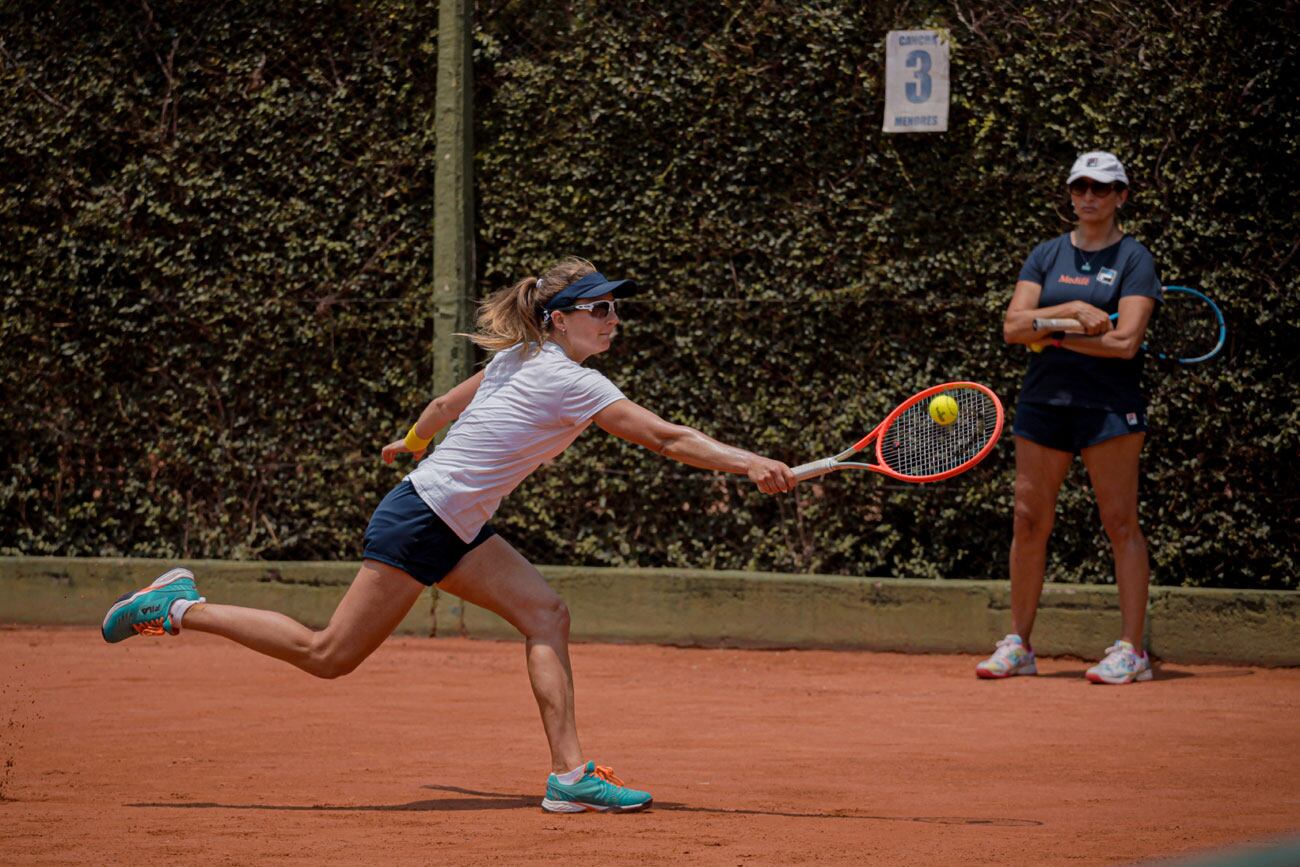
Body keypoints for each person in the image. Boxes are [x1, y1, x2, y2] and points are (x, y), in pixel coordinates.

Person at [102, 256, 798, 811]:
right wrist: (752, 462)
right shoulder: (568, 381)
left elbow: (441, 405)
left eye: (616, 307)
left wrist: (409, 443)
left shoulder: (519, 359)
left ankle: (569, 775)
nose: (615, 319)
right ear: (559, 320)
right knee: (327, 654)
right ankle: (179, 605)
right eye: (601, 309)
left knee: (545, 611)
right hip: (423, 520)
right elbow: (666, 436)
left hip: (450, 517)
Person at [980, 151, 1163, 685]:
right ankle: (1019, 645)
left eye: (1101, 189)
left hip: (1109, 407)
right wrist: (1072, 318)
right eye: (1080, 187)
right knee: (1027, 519)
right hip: (1043, 403)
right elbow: (1013, 328)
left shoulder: (1135, 259)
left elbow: (1125, 342)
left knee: (1119, 522)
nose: (1088, 197)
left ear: (1120, 197)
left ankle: (1133, 652)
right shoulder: (1046, 254)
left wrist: (1054, 333)